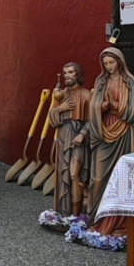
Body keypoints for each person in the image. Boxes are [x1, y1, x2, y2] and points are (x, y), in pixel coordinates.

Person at [88, 46, 134, 235]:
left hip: (124, 130)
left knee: (123, 177)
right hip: (104, 129)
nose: (109, 66)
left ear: (120, 62)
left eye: (112, 62)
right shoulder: (101, 81)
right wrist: (101, 107)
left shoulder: (130, 82)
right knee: (98, 177)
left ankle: (121, 223)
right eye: (105, 64)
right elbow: (93, 106)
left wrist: (116, 106)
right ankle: (98, 217)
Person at [49, 62, 90, 217]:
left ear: (77, 75)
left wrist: (82, 134)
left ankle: (77, 213)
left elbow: (93, 121)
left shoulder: (86, 95)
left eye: (71, 72)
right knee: (63, 175)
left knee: (74, 175)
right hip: (63, 136)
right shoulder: (60, 95)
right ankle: (64, 212)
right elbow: (52, 120)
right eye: (65, 73)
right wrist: (60, 108)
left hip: (78, 137)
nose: (67, 75)